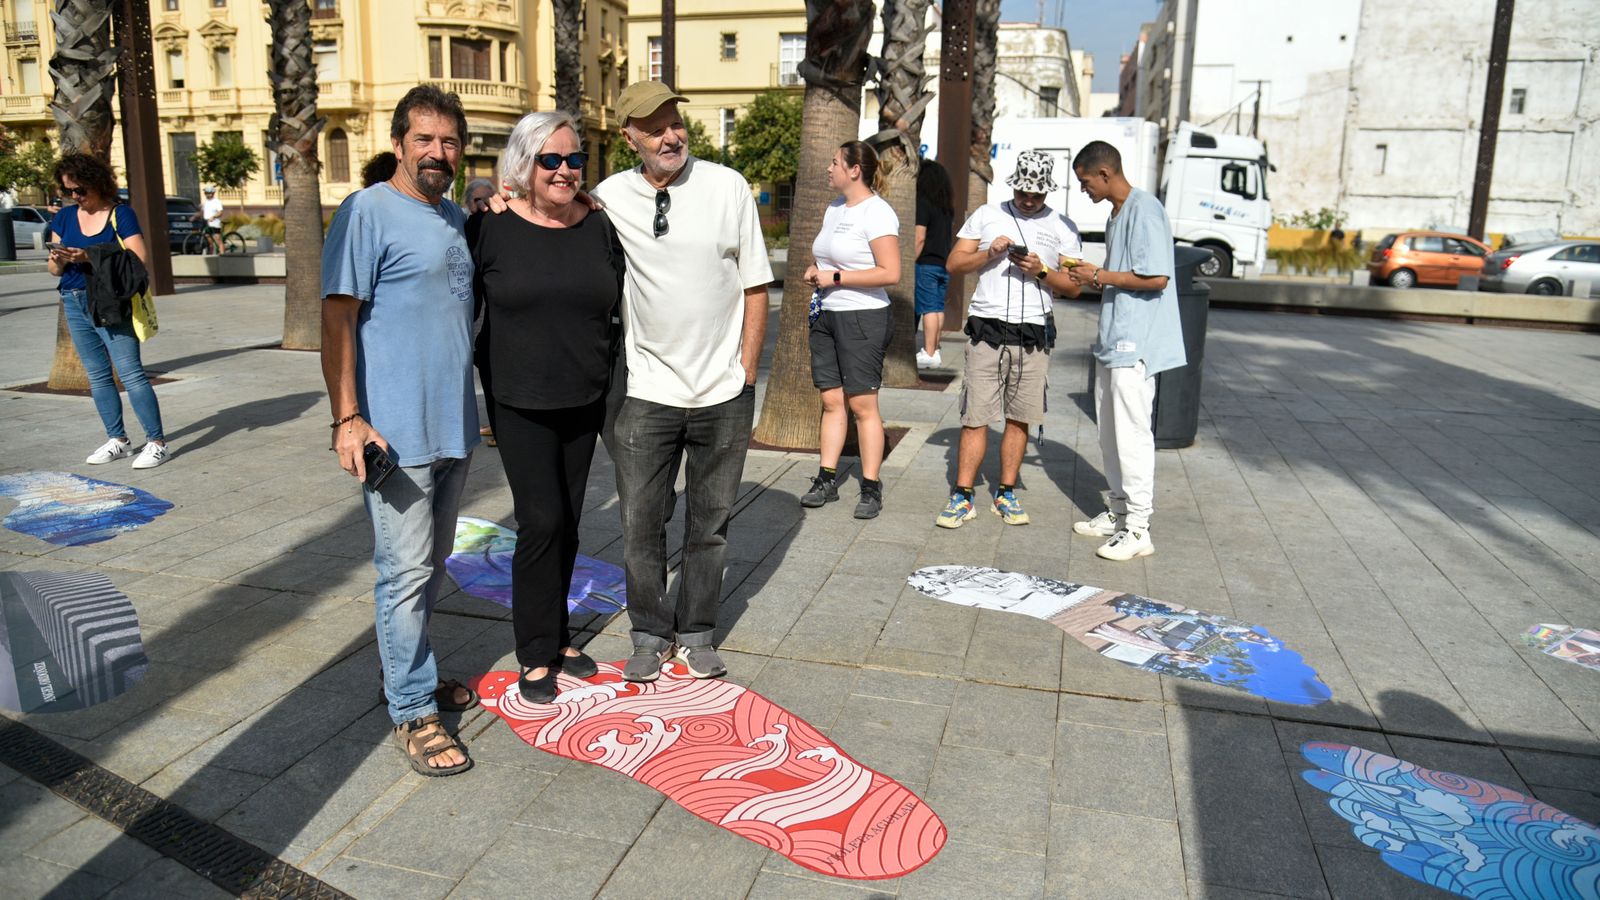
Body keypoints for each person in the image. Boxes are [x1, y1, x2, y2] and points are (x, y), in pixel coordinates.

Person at [320, 85, 481, 777]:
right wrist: (348, 418)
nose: (438, 152)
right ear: (398, 144)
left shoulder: (452, 218)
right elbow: (337, 320)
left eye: (449, 141)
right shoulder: (367, 211)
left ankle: (407, 672)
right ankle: (413, 710)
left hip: (454, 430)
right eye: (425, 139)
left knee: (427, 567)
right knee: (404, 572)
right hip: (395, 435)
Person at [596, 81, 771, 683]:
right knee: (640, 524)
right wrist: (497, 203)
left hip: (723, 393)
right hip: (646, 393)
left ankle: (697, 630)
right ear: (630, 138)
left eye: (677, 123)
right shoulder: (608, 197)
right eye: (655, 128)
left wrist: (747, 371)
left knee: (710, 525)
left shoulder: (726, 186)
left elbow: (755, 286)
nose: (671, 135)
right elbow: (547, 217)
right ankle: (649, 630)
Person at [468, 111, 617, 703]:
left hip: (585, 395)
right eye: (550, 159)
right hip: (519, 398)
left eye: (574, 159)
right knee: (542, 521)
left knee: (571, 521)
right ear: (523, 164)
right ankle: (534, 650)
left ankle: (557, 637)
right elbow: (458, 303)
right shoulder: (490, 228)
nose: (563, 170)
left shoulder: (599, 226)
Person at [935, 150, 1081, 529]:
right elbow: (953, 264)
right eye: (1023, 192)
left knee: (1020, 417)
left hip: (1032, 332)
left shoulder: (1062, 226)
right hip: (987, 327)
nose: (1028, 200)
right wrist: (989, 253)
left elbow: (1074, 286)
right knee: (976, 415)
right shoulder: (986, 214)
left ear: (1047, 192)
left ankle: (1006, 491)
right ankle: (963, 495)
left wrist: (1042, 271)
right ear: (1013, 184)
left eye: (1036, 195)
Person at [1066, 140, 1186, 561]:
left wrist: (1099, 274)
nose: (1083, 189)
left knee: (1132, 434)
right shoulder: (1116, 214)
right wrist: (1093, 276)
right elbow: (1122, 275)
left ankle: (1138, 528)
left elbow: (1156, 278)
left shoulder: (1145, 209)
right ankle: (1119, 513)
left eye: (1085, 181)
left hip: (1137, 342)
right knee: (1109, 432)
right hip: (1114, 338)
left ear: (1105, 173)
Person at [45, 153, 170, 470]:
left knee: (131, 374)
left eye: (80, 190)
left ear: (97, 184)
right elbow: (53, 271)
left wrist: (89, 256)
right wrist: (59, 258)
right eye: (69, 191)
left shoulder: (121, 214)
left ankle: (157, 443)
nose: (75, 197)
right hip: (73, 300)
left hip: (110, 301)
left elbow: (138, 257)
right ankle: (118, 439)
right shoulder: (64, 218)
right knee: (98, 376)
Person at [799, 141, 899, 519]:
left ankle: (871, 486)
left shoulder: (878, 213)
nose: (829, 167)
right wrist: (815, 269)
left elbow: (890, 272)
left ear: (855, 169)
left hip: (863, 316)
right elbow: (826, 256)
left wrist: (835, 277)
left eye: (835, 162)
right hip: (826, 313)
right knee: (831, 400)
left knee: (862, 404)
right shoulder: (835, 208)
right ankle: (826, 478)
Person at [914, 159, 954, 368]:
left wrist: (908, 259)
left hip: (926, 263)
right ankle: (934, 349)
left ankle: (928, 354)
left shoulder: (923, 202)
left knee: (928, 309)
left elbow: (919, 237)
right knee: (937, 308)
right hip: (942, 263)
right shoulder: (946, 207)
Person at [199, 185, 224, 254]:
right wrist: (194, 217)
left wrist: (213, 217)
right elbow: (202, 212)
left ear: (212, 193)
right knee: (210, 243)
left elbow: (220, 212)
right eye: (206, 193)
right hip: (207, 224)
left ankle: (222, 256)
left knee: (218, 241)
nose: (207, 194)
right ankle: (210, 256)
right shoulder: (205, 202)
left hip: (214, 224)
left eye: (208, 193)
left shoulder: (216, 202)